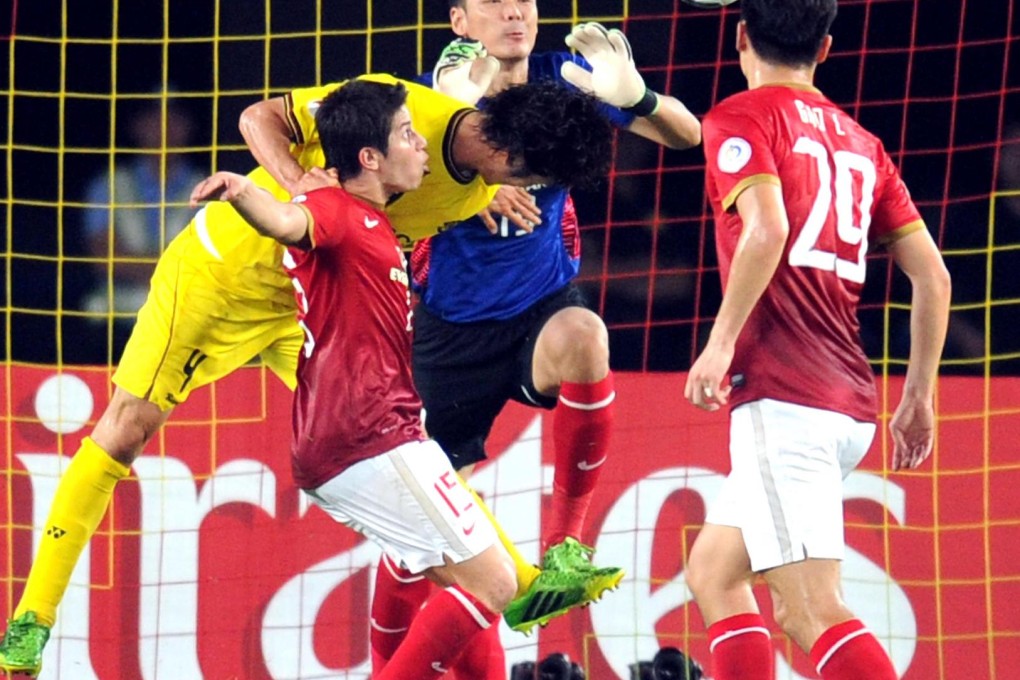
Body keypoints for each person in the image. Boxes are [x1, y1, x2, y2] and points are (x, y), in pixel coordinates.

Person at [0, 76, 615, 676]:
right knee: (128, 426)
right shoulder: (397, 111)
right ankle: (33, 616)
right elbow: (257, 118)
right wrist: (300, 188)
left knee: (406, 433)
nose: (530, 188)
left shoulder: (473, 189)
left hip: (307, 305)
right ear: (507, 153)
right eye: (531, 177)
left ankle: (519, 584)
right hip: (221, 280)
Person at [191, 78, 516, 679]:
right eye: (405, 134)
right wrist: (240, 192)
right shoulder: (335, 210)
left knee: (460, 586)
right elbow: (288, 221)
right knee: (494, 583)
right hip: (369, 438)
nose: (422, 145)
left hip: (363, 439)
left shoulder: (374, 221)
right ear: (369, 158)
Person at [412, 1, 702, 638]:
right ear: (460, 21)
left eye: (526, 0)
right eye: (493, 2)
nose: (514, 11)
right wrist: (474, 184)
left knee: (586, 336)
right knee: (420, 548)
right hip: (446, 332)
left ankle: (566, 552)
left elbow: (690, 135)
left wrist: (642, 97)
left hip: (539, 306)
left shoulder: (567, 79)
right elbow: (387, 185)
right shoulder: (433, 99)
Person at [681, 2, 951, 680]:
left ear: (741, 36)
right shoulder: (863, 144)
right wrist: (918, 397)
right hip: (848, 404)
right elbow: (934, 278)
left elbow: (767, 230)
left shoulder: (740, 116)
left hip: (786, 402)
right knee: (714, 572)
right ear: (826, 48)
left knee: (809, 612)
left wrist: (719, 344)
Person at [80, 94, 205, 358]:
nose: (164, 127)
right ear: (136, 125)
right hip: (115, 321)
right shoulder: (109, 185)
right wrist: (172, 265)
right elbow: (106, 259)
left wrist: (135, 262)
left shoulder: (210, 186)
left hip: (184, 317)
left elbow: (206, 263)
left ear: (189, 126)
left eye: (174, 118)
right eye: (154, 118)